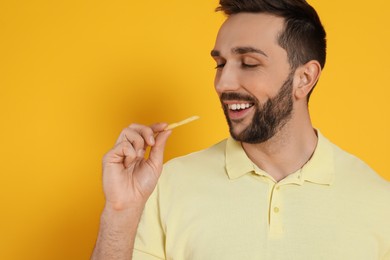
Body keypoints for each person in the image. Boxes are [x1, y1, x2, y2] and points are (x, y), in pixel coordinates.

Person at [92, 0, 390, 259]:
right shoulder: (166, 185)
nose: (223, 83)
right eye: (220, 64)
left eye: (248, 63)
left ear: (304, 78)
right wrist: (120, 212)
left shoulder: (379, 203)